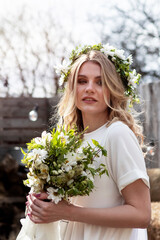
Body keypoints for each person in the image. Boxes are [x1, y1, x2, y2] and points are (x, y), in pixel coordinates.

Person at [27, 43, 151, 240]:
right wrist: (43, 204)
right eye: (82, 81)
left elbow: (141, 214)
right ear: (72, 88)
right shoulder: (69, 140)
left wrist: (68, 212)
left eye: (100, 82)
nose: (90, 89)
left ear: (112, 89)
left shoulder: (117, 134)